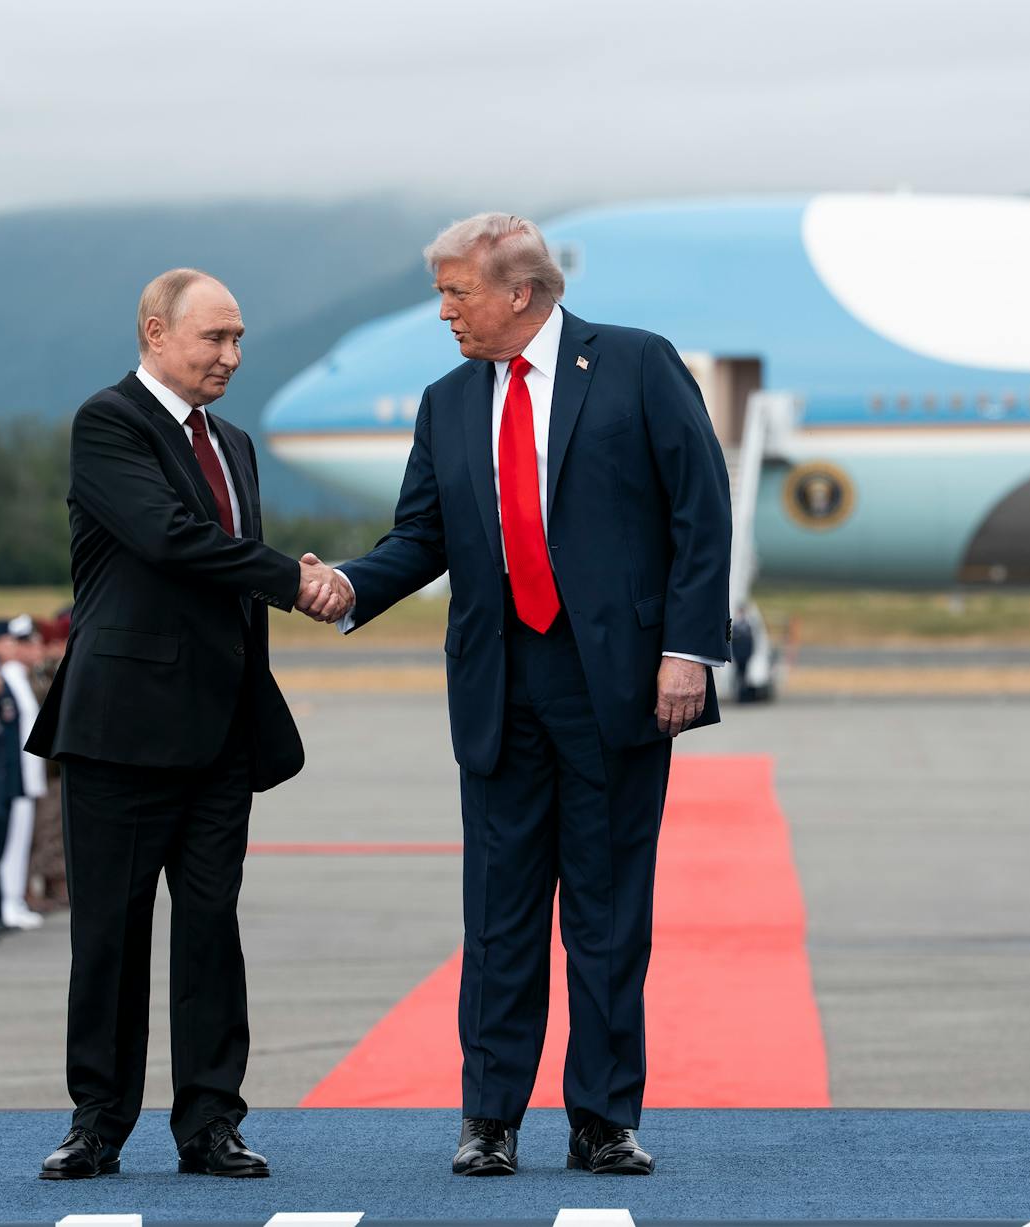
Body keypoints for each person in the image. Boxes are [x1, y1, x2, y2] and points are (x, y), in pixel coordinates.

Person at [302, 214, 733, 1177]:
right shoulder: (448, 401)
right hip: (500, 686)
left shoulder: (635, 364)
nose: (445, 312)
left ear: (520, 293)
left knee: (608, 913)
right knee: (499, 916)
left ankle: (603, 1119)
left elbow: (700, 510)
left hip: (616, 681)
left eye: (457, 293)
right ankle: (489, 1117)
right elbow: (421, 537)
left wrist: (689, 649)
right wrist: (349, 585)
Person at [23, 269, 343, 1182]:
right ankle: (98, 1123)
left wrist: (283, 581)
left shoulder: (232, 443)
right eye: (215, 338)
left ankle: (210, 1122)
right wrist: (292, 579)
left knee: (211, 930)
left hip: (221, 733)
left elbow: (223, 575)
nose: (232, 356)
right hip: (121, 730)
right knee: (111, 936)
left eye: (239, 339)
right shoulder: (109, 422)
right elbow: (168, 536)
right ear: (156, 333)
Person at [0, 614, 47, 930]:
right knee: (11, 845)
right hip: (16, 777)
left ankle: (14, 900)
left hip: (27, 777)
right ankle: (7, 902)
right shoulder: (8, 677)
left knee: (20, 843)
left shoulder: (19, 676)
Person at [24, 611, 70, 914]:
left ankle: (54, 881)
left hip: (51, 767)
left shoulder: (47, 671)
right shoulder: (37, 674)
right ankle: (35, 885)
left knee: (53, 827)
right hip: (41, 767)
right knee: (42, 829)